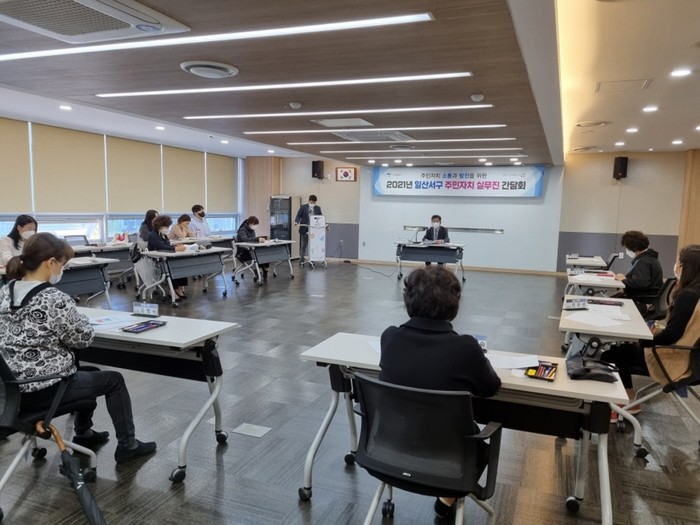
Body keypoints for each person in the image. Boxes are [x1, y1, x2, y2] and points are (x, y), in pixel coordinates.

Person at [0, 233, 156, 463]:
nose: (63, 269)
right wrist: (80, 321)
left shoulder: (6, 291)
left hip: (10, 388)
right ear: (50, 262)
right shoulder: (53, 298)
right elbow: (82, 340)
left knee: (89, 373)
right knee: (114, 380)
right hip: (46, 388)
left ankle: (85, 434)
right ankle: (128, 446)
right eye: (63, 264)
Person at [379, 266, 501, 518]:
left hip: (391, 449)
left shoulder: (389, 337)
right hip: (451, 460)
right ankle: (446, 499)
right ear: (454, 304)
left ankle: (446, 499)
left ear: (408, 301)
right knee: (479, 445)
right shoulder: (466, 348)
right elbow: (490, 388)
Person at [602, 245, 700, 421]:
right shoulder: (695, 294)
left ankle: (622, 404)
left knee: (612, 354)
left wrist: (643, 341)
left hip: (676, 360)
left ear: (686, 267)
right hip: (693, 359)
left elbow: (671, 335)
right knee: (624, 350)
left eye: (679, 262)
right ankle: (628, 401)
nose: (676, 265)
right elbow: (682, 331)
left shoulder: (688, 296)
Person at [614, 230, 663, 300]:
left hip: (640, 298)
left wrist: (623, 279)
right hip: (647, 296)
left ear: (634, 248)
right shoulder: (650, 258)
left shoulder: (643, 262)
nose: (626, 250)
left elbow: (641, 283)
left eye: (627, 248)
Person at [148, 215, 188, 299]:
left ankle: (178, 287)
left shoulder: (163, 235)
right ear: (160, 225)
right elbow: (161, 247)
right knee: (173, 266)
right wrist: (176, 249)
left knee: (182, 264)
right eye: (166, 226)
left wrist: (175, 246)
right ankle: (173, 289)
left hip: (166, 257)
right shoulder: (153, 235)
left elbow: (167, 245)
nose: (168, 228)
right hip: (158, 259)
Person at [236, 216, 269, 280]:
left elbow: (252, 240)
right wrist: (257, 239)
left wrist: (259, 240)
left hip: (251, 249)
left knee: (264, 253)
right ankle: (261, 269)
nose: (255, 226)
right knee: (260, 255)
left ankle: (264, 269)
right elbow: (245, 239)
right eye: (255, 224)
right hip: (243, 251)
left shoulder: (252, 230)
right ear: (250, 223)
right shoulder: (242, 230)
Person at [294, 195, 322, 265]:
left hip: (314, 230)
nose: (313, 204)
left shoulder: (318, 208)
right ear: (309, 201)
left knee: (313, 245)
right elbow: (298, 215)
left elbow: (321, 218)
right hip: (305, 229)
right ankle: (302, 259)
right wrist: (296, 222)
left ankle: (312, 259)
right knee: (304, 245)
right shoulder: (303, 207)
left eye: (314, 203)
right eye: (312, 202)